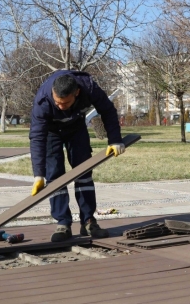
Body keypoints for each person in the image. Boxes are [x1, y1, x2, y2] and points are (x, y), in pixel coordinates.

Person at [29, 70, 125, 242]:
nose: (60, 106)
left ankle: (88, 221)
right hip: (52, 132)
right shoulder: (43, 100)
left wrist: (115, 140)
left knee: (84, 172)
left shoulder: (89, 87)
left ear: (77, 93)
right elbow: (37, 137)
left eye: (64, 103)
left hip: (76, 127)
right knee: (55, 175)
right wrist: (38, 174)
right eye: (57, 102)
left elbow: (108, 110)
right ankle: (63, 223)